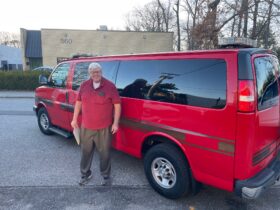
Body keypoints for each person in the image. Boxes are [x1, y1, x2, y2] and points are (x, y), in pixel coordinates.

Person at [71, 62, 121, 186]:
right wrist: (74, 119)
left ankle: (106, 176)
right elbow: (78, 103)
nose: (95, 74)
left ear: (101, 72)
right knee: (85, 152)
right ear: (89, 73)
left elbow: (117, 105)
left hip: (104, 127)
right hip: (86, 126)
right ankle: (85, 174)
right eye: (93, 72)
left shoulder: (110, 86)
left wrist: (115, 123)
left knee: (105, 153)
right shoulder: (84, 85)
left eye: (97, 71)